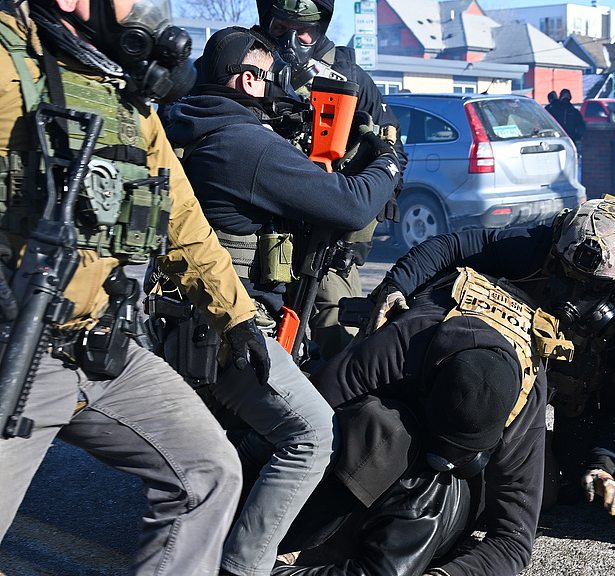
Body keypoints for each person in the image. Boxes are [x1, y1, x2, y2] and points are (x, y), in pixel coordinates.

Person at [0, 1, 270, 574]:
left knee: (207, 472)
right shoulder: (7, 64)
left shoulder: (122, 91)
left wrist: (235, 314)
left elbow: (178, 215)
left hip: (104, 347)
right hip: (15, 350)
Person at [155, 26, 400, 576]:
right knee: (311, 433)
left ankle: (218, 533)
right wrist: (387, 158)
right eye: (268, 78)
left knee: (233, 443)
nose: (277, 90)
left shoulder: (184, 124)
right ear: (244, 79)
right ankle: (245, 566)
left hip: (175, 320)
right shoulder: (242, 146)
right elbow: (350, 204)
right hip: (223, 329)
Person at [367, 197, 615, 521]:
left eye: (591, 287)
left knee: (559, 492)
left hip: (573, 399)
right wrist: (397, 286)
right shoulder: (537, 247)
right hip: (504, 370)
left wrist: (603, 464)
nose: (572, 295)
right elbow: (449, 247)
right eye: (566, 275)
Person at [267, 268, 549, 576]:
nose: (442, 461)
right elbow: (299, 427)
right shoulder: (405, 342)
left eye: (460, 452)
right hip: (383, 435)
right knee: (375, 425)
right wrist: (283, 528)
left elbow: (513, 540)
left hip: (445, 502)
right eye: (444, 445)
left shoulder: (526, 396)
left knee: (432, 491)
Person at [255, 0, 407, 359]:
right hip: (253, 227)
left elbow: (391, 152)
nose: (292, 40)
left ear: (322, 25)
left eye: (303, 29)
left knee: (344, 341)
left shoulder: (348, 75)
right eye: (280, 28)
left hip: (327, 238)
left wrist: (360, 225)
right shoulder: (245, 58)